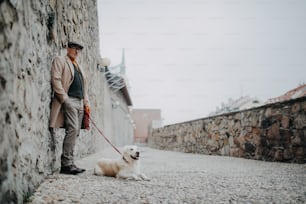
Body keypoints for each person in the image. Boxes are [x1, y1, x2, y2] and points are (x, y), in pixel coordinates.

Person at [49, 41, 89, 175]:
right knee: (72, 129)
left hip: (80, 102)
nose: (76, 52)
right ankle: (66, 165)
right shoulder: (60, 60)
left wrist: (86, 102)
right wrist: (65, 99)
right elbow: (56, 79)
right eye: (74, 49)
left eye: (79, 50)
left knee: (75, 132)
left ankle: (70, 162)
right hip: (69, 99)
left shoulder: (78, 66)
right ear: (68, 49)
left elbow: (84, 87)